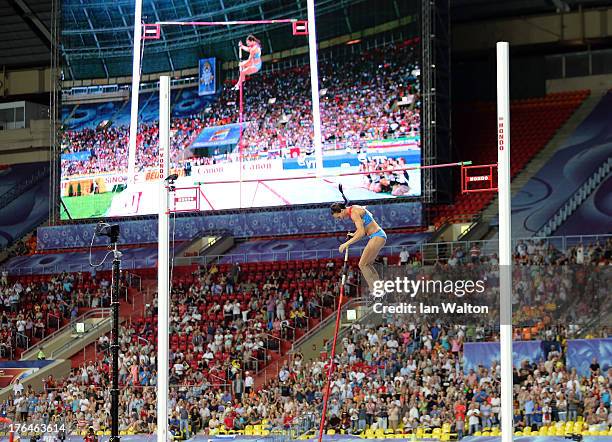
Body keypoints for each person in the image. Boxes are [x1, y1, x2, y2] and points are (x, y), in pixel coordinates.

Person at [331, 185, 387, 293]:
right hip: (378, 236)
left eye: (339, 217)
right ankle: (380, 291)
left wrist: (346, 243)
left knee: (362, 264)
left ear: (342, 211)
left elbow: (361, 233)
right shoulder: (355, 208)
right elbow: (364, 227)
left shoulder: (354, 213)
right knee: (368, 264)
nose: (340, 219)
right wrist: (353, 234)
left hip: (377, 236)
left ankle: (375, 292)